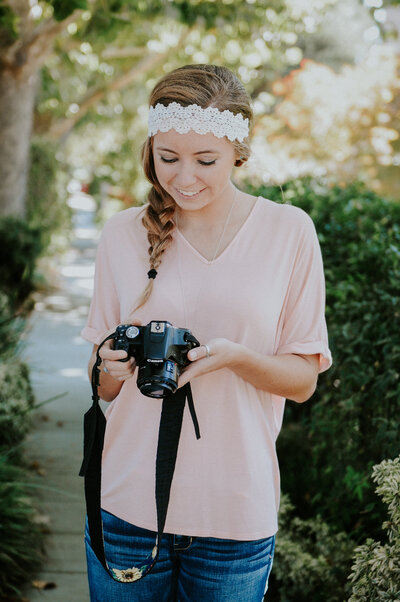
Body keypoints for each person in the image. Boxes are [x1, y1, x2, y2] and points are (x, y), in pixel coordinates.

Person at [81, 64, 332, 602]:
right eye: (168, 158)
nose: (184, 177)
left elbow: (302, 380)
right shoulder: (122, 233)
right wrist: (110, 367)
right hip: (126, 508)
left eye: (206, 160)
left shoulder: (289, 231)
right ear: (151, 150)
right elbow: (103, 389)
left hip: (235, 514)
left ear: (239, 153)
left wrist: (235, 358)